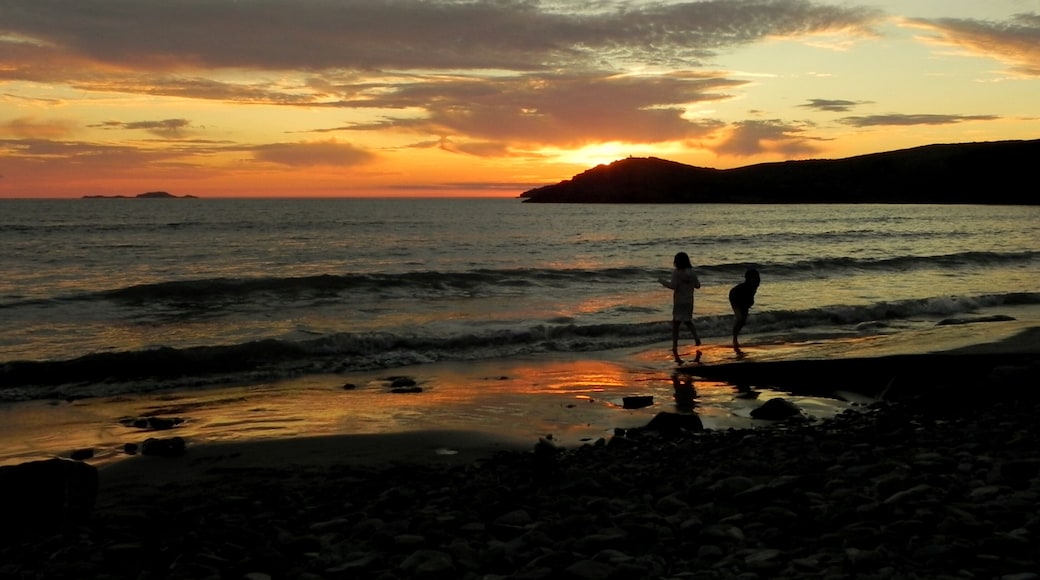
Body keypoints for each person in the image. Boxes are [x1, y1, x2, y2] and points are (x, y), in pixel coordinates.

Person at [658, 251, 701, 364]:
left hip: (679, 301)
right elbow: (698, 286)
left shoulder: (677, 273)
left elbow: (673, 286)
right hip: (689, 301)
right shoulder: (692, 273)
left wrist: (662, 281)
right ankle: (696, 337)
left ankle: (674, 345)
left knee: (676, 324)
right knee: (688, 321)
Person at [728, 268, 761, 355]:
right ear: (748, 278)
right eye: (754, 277)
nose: (757, 279)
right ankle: (735, 339)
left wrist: (750, 301)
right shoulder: (746, 286)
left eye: (757, 277)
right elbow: (748, 294)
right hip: (734, 296)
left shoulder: (756, 283)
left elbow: (752, 293)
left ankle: (736, 335)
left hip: (744, 298)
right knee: (740, 319)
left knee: (743, 321)